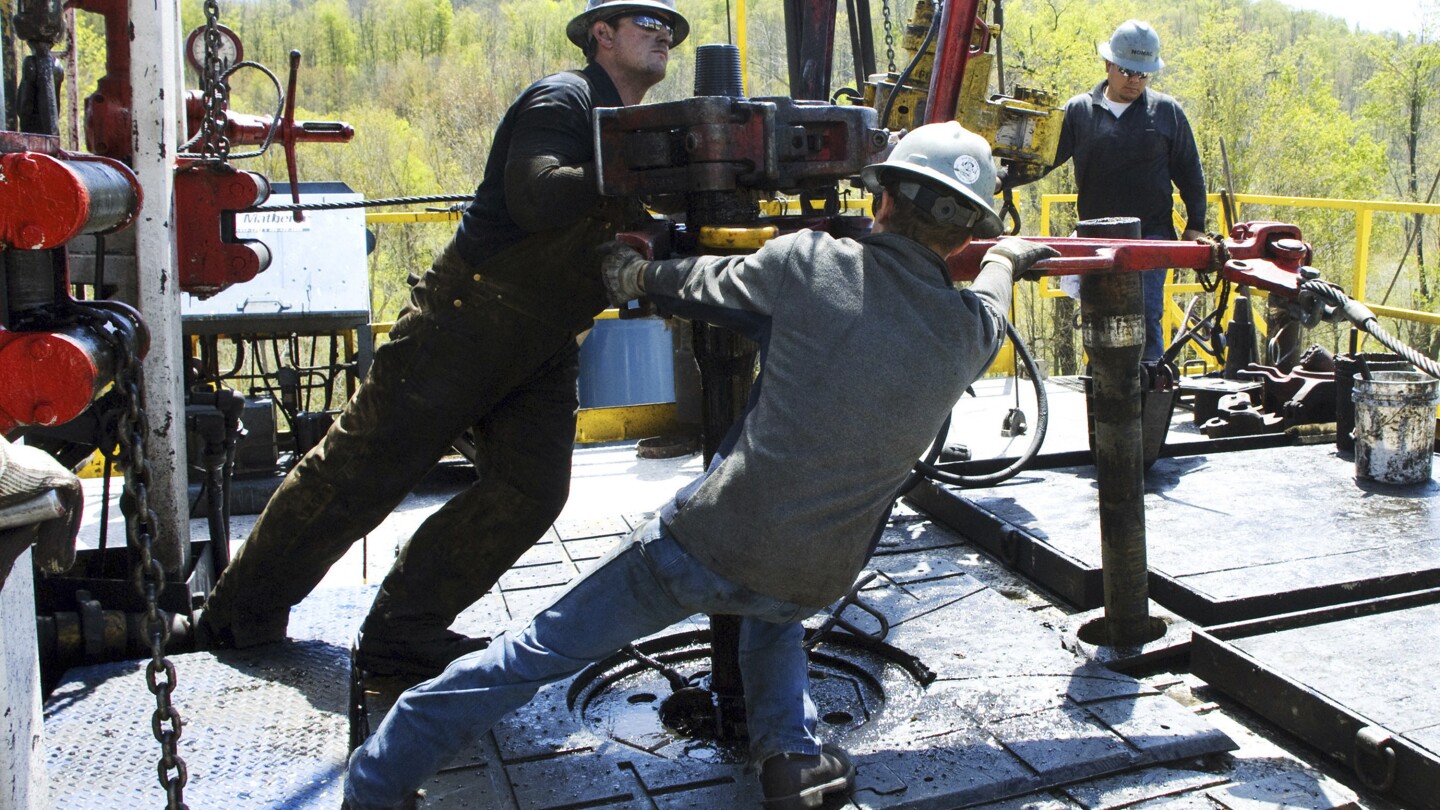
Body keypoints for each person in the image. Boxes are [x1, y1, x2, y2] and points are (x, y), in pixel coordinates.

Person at [340, 121, 1060, 810]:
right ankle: (791, 760)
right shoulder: (971, 332)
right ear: (966, 233)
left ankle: (378, 778)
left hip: (710, 542)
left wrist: (635, 271)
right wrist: (1006, 259)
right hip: (819, 572)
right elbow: (992, 301)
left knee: (541, 649)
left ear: (883, 200)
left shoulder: (810, 262)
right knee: (773, 607)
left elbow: (697, 284)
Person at [197, 0, 690, 677]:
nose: (664, 36)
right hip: (463, 322)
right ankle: (236, 619)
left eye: (670, 30)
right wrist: (643, 167)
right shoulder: (565, 99)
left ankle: (404, 630)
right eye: (647, 24)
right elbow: (536, 194)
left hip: (542, 342)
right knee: (359, 476)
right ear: (601, 35)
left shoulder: (633, 130)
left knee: (529, 491)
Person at [1009, 19, 1206, 362]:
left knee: (1147, 318)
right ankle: (1102, 384)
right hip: (1095, 239)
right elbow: (1045, 160)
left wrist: (1196, 224)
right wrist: (1001, 179)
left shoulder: (1166, 112)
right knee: (1099, 320)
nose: (1135, 80)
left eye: (1143, 74)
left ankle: (1150, 383)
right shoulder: (1080, 111)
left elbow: (1190, 171)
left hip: (1151, 238)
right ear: (1108, 65)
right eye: (1127, 71)